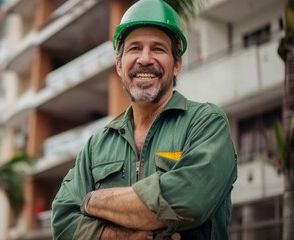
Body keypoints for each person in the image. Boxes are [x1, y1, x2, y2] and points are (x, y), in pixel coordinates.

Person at [51, 0, 238, 239]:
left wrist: (91, 201)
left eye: (158, 49)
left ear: (177, 64)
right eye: (134, 48)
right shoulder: (96, 146)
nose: (145, 59)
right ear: (119, 66)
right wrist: (121, 237)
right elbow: (63, 222)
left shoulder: (206, 123)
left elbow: (188, 202)